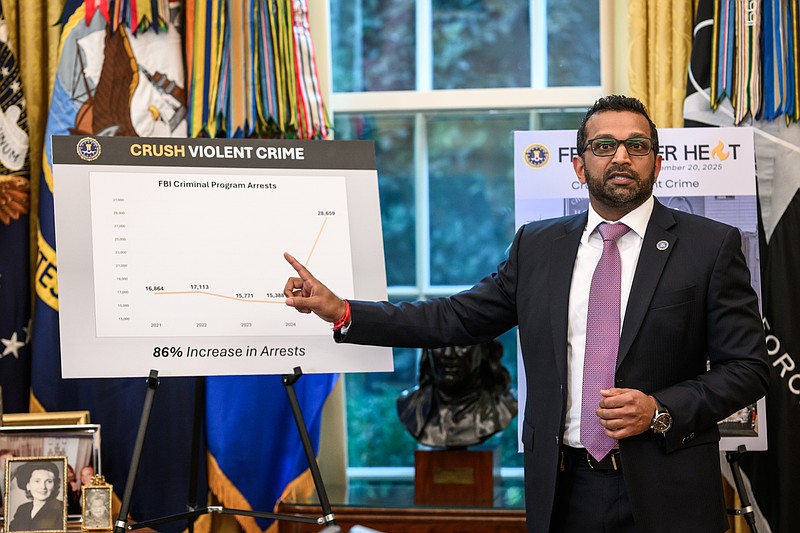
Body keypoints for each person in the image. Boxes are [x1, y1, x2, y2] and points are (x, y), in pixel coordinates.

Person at [283, 95, 770, 533]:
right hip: (564, 490)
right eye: (604, 146)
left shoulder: (709, 246)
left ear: (657, 164)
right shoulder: (538, 245)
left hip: (669, 491)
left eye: (636, 145)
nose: (621, 157)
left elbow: (749, 368)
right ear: (579, 166)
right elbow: (454, 317)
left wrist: (660, 410)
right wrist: (343, 310)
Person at [396, 340, 517, 448]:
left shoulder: (505, 406)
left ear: (485, 349)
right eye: (438, 343)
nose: (448, 354)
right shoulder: (409, 407)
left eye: (461, 344)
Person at [8, 461, 65, 531]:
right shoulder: (22, 509)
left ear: (54, 485)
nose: (43, 487)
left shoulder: (61, 509)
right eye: (37, 481)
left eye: (49, 481)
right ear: (28, 485)